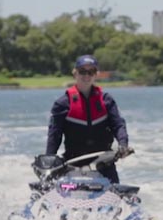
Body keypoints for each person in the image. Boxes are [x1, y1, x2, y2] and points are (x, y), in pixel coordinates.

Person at [45, 55, 129, 183]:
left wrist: (123, 144)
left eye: (91, 72)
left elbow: (118, 125)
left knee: (118, 199)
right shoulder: (62, 104)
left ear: (96, 75)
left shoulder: (107, 100)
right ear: (75, 73)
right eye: (82, 71)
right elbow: (54, 135)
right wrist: (49, 160)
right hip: (73, 164)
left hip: (104, 164)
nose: (87, 75)